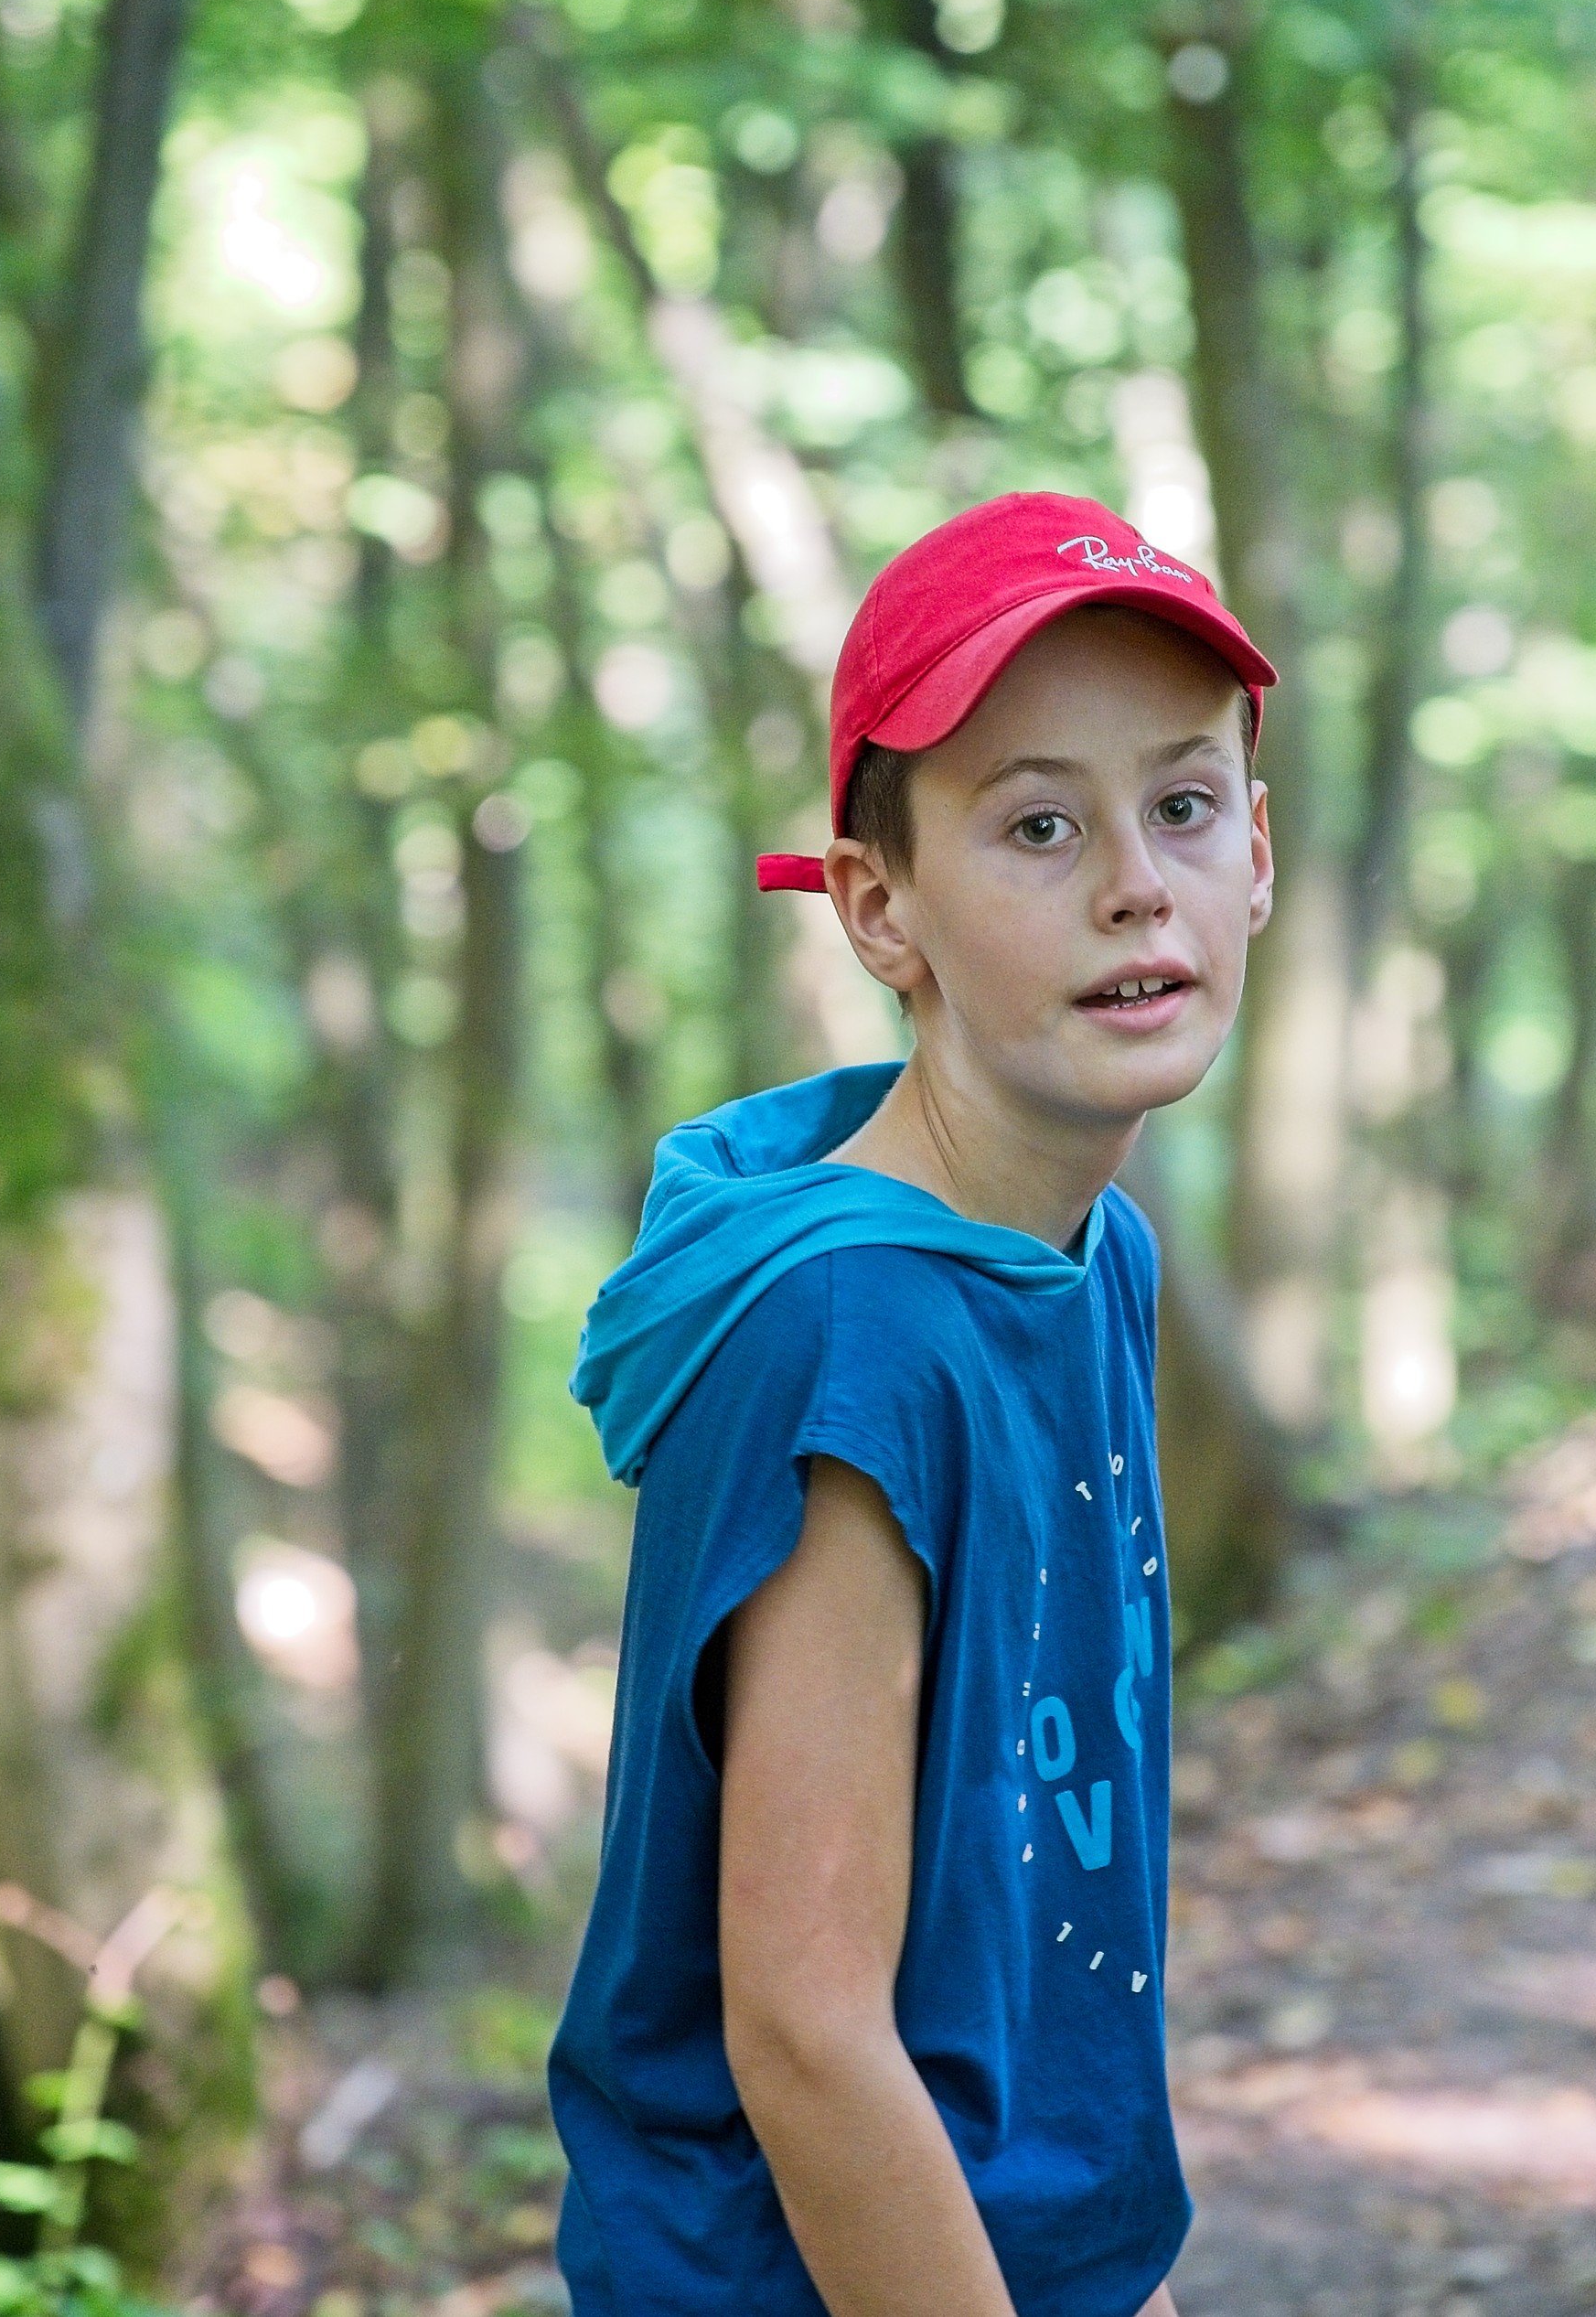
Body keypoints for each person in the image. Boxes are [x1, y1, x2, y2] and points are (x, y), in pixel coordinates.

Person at [555, 492, 1278, 2317]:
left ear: (1258, 851)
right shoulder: (850, 1336)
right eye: (1039, 825)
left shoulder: (1088, 1255)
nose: (1137, 882)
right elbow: (807, 2032)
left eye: (1184, 805)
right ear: (882, 909)